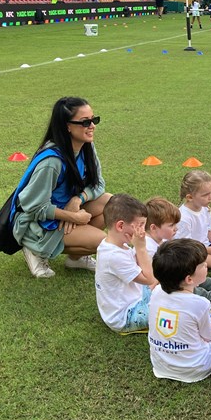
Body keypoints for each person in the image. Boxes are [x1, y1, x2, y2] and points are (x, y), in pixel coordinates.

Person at [13, 97, 111, 278]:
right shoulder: (52, 161)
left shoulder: (87, 146)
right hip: (37, 223)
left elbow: (99, 184)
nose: (92, 126)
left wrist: (77, 200)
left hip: (63, 210)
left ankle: (76, 258)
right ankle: (34, 247)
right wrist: (73, 217)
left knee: (110, 203)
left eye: (94, 120)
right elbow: (33, 207)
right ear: (67, 126)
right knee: (104, 242)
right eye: (85, 122)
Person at [148, 239, 211, 383]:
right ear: (189, 279)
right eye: (203, 265)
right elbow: (208, 337)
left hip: (161, 366)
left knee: (201, 327)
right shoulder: (200, 303)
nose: (206, 265)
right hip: (196, 367)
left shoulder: (156, 292)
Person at [145, 197, 211, 309]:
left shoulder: (161, 240)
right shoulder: (148, 248)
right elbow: (153, 278)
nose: (176, 229)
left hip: (170, 280)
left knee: (196, 274)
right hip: (162, 288)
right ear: (153, 228)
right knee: (188, 283)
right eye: (171, 225)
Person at [94, 194, 155, 334]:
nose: (142, 231)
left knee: (168, 282)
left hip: (137, 296)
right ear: (120, 226)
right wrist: (140, 247)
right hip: (126, 315)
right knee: (170, 309)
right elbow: (149, 279)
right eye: (140, 225)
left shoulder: (116, 246)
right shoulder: (114, 256)